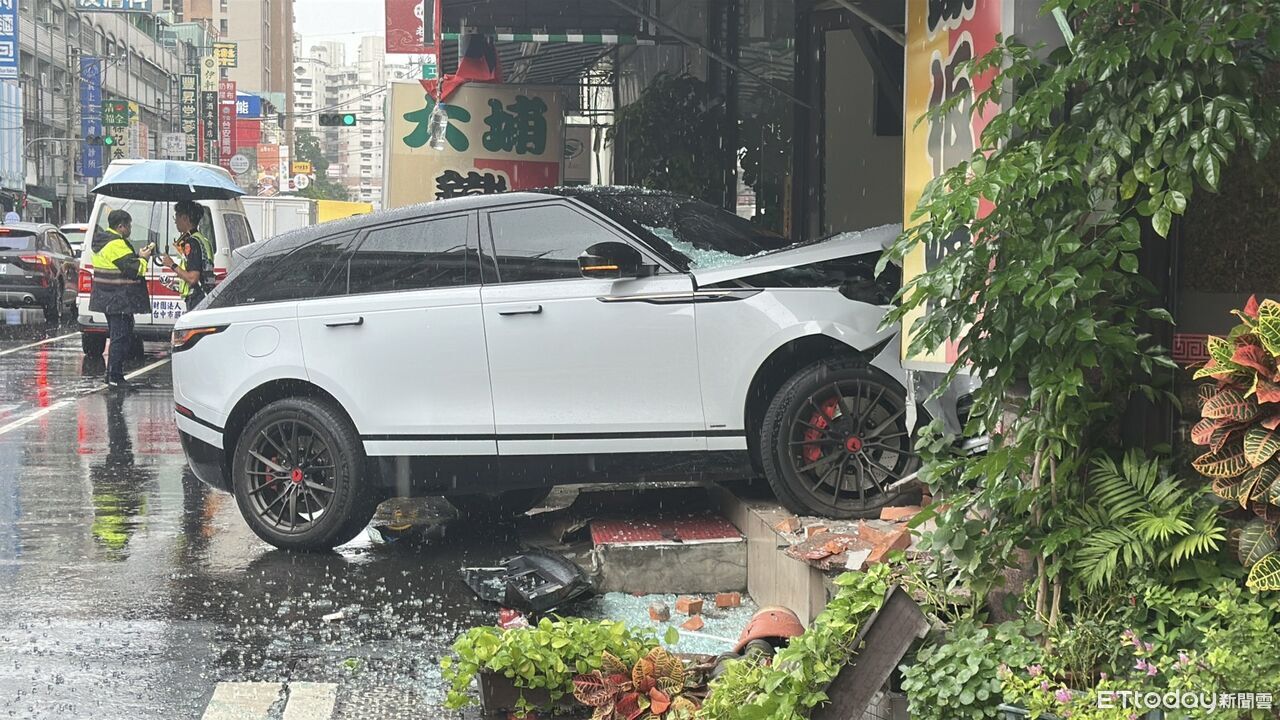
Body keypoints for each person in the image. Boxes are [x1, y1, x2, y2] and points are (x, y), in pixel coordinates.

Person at [90, 209, 152, 389]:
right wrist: (144, 259)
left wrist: (137, 257)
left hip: (106, 296)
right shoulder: (115, 244)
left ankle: (111, 375)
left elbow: (121, 263)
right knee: (120, 338)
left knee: (117, 337)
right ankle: (115, 377)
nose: (130, 229)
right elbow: (134, 270)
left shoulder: (103, 241)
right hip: (118, 298)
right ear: (120, 226)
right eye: (129, 226)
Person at [161, 200, 215, 311]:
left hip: (197, 297)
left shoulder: (191, 242)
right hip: (206, 295)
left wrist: (172, 265)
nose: (175, 222)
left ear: (185, 218)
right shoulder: (203, 240)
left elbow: (192, 278)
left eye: (176, 217)